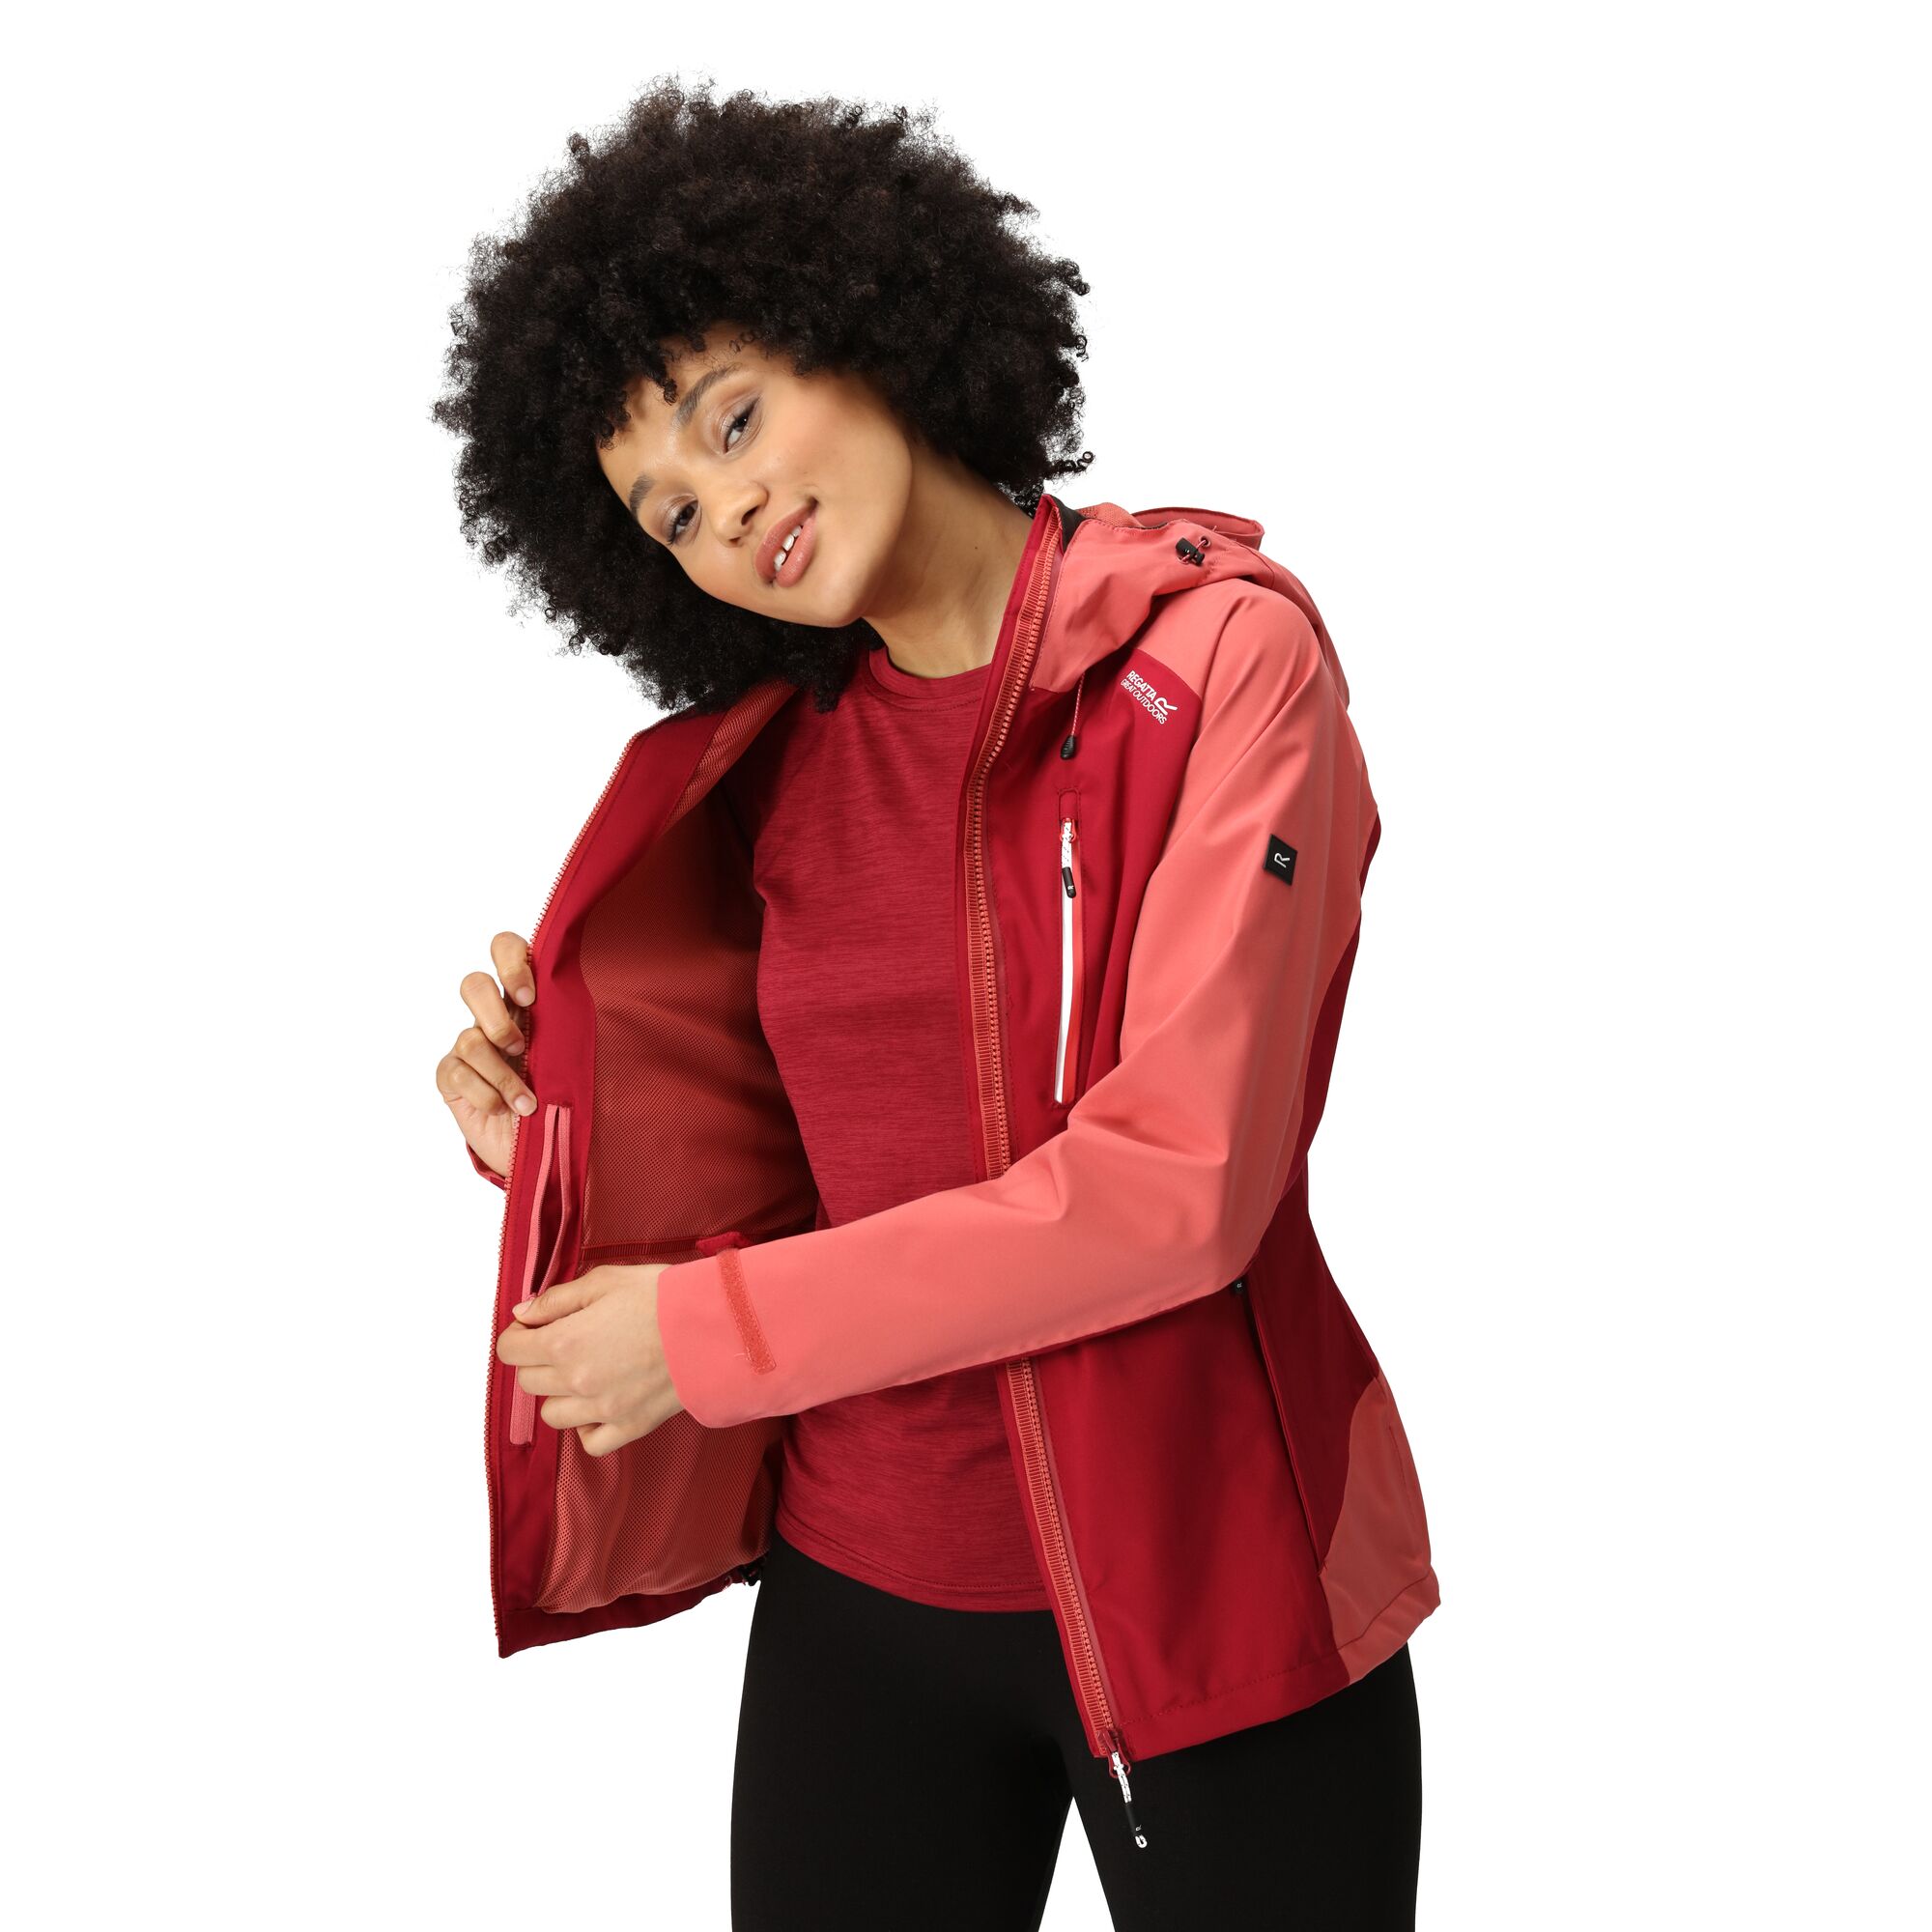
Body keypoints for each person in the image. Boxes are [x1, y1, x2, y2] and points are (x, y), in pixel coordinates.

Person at [432, 78, 1437, 1930]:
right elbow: (788, 1171)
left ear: (866, 318)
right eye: (669, 511)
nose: (727, 505)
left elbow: (1177, 1190)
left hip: (1206, 1606)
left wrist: (706, 1331)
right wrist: (555, 1126)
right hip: (860, 1607)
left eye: (735, 417)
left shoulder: (1223, 664)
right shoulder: (758, 775)